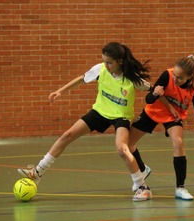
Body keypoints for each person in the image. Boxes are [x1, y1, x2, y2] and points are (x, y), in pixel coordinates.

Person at [18, 42, 153, 201]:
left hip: (121, 116)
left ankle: (142, 187)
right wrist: (59, 91)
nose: (106, 65)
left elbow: (153, 91)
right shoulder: (100, 69)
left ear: (120, 61)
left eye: (109, 62)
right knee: (67, 135)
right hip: (99, 111)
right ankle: (37, 172)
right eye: (104, 61)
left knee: (122, 149)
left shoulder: (132, 78)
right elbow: (81, 79)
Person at [128, 55, 194, 201]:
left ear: (190, 77)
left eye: (180, 78)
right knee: (127, 143)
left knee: (178, 143)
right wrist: (155, 94)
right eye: (175, 75)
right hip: (153, 111)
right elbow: (148, 99)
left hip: (173, 117)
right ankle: (143, 169)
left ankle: (180, 188)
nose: (175, 80)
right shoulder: (167, 75)